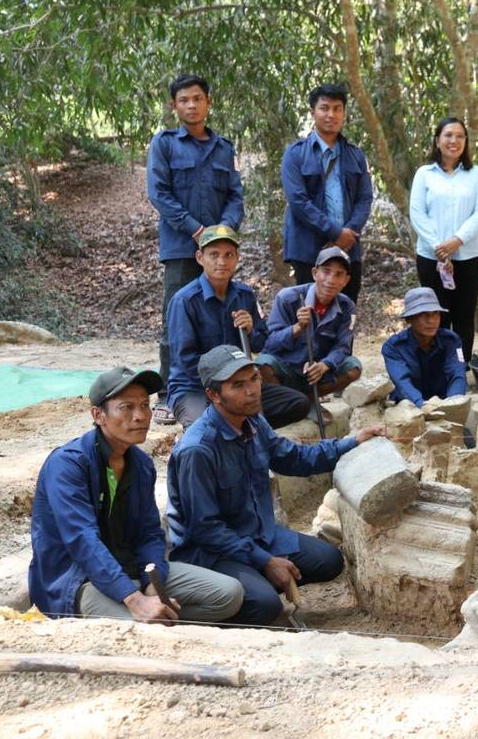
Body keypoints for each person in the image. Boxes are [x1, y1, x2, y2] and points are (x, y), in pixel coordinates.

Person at [166, 345, 384, 625]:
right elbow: (206, 529)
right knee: (266, 607)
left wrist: (351, 442)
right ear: (213, 395)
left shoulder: (253, 421)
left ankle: (255, 582)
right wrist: (265, 561)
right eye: (238, 385)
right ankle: (226, 599)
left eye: (254, 379)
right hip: (212, 552)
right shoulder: (198, 450)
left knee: (329, 560)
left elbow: (293, 458)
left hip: (258, 534)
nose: (252, 390)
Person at [28, 367, 243, 623]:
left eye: (144, 405)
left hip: (131, 568)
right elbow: (81, 539)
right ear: (98, 415)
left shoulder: (141, 464)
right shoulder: (69, 464)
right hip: (79, 578)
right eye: (126, 407)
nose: (141, 416)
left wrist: (153, 583)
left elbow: (149, 532)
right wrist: (134, 598)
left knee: (230, 593)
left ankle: (162, 621)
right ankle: (156, 623)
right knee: (144, 629)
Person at [147, 74, 245, 425]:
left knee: (221, 314)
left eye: (197, 99)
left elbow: (235, 195)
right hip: (181, 247)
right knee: (175, 316)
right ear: (174, 106)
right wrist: (197, 230)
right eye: (184, 100)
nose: (191, 105)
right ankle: (168, 393)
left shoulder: (225, 149)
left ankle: (220, 382)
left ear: (209, 102)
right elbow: (160, 194)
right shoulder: (164, 144)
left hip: (219, 249)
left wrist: (221, 233)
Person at [165, 225, 311, 429]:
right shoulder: (185, 301)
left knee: (298, 403)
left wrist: (251, 330)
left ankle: (246, 429)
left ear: (237, 258)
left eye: (228, 255)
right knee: (204, 428)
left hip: (238, 385)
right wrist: (227, 383)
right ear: (200, 257)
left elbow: (261, 343)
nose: (221, 262)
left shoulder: (245, 295)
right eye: (214, 255)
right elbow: (186, 361)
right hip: (195, 388)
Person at [281, 83, 373, 303]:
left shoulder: (355, 155)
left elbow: (365, 197)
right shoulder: (295, 154)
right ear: (313, 112)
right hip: (308, 250)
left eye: (337, 108)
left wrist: (349, 231)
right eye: (324, 108)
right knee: (310, 316)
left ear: (344, 113)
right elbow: (298, 201)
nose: (331, 114)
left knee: (345, 313)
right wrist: (334, 232)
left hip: (348, 251)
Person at [409, 116, 478, 362]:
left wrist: (456, 241)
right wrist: (439, 247)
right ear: (437, 140)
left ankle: (460, 368)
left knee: (464, 315)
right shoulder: (424, 174)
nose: (454, 141)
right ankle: (438, 367)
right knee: (436, 315)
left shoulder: (475, 174)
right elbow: (417, 213)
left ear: (466, 141)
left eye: (460, 136)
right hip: (431, 257)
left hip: (469, 256)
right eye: (448, 135)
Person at [258, 247, 362, 397]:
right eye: (326, 271)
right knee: (263, 364)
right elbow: (269, 344)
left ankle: (310, 400)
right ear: (315, 273)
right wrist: (297, 328)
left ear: (346, 281)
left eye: (339, 275)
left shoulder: (347, 306)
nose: (331, 280)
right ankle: (286, 401)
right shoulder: (287, 298)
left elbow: (343, 347)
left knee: (353, 367)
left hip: (317, 374)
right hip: (287, 368)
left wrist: (325, 364)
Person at [382, 287, 468, 407]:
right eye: (424, 315)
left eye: (435, 314)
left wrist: (454, 404)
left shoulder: (451, 341)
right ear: (409, 319)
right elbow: (402, 382)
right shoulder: (394, 347)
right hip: (408, 407)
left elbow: (458, 374)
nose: (431, 320)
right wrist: (422, 406)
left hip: (444, 402)